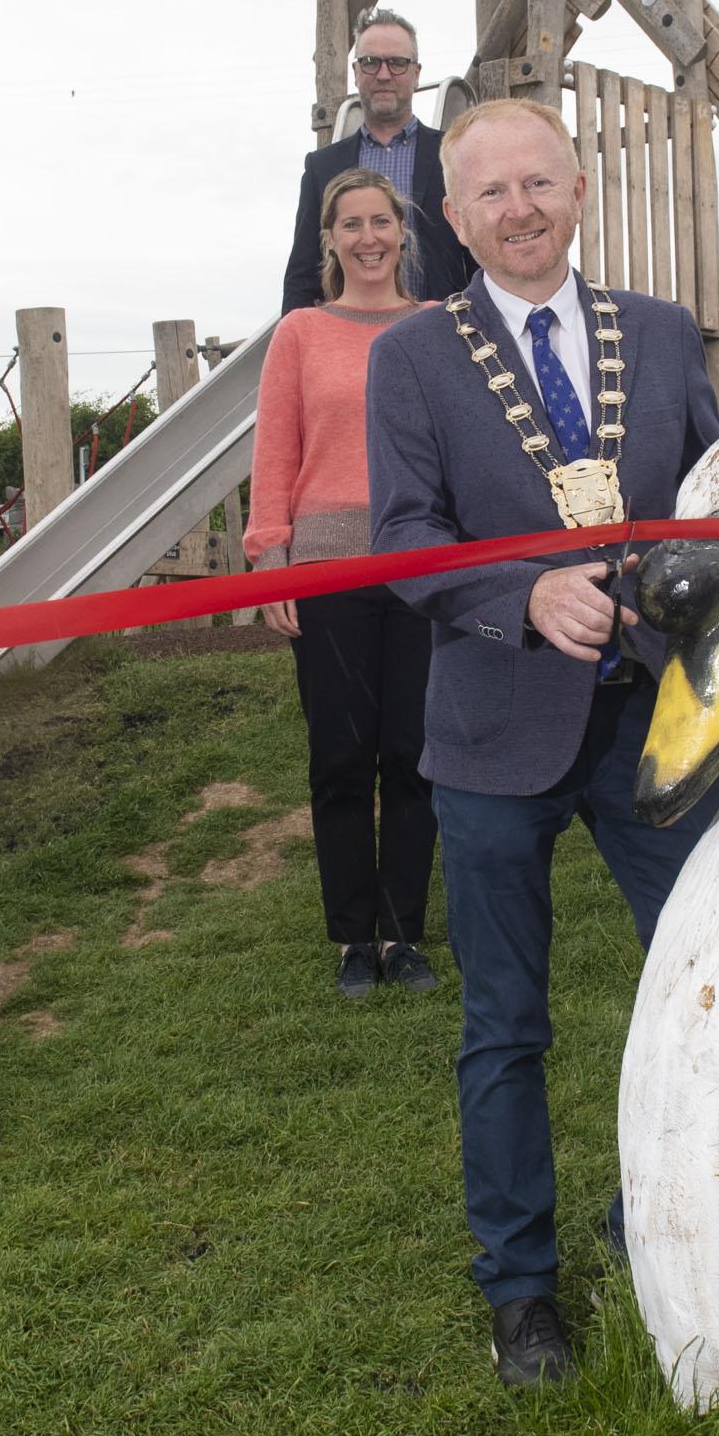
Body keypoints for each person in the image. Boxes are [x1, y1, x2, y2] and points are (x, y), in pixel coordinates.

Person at [366, 96, 719, 1386]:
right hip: (491, 730)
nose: (517, 210)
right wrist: (516, 593)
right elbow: (403, 540)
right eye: (488, 195)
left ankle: (654, 1229)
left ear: (576, 189)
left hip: (652, 727)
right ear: (450, 219)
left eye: (538, 183)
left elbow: (712, 502)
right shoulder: (411, 358)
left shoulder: (664, 332)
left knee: (696, 991)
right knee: (504, 1024)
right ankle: (520, 1287)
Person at [249, 168, 440, 1002]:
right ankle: (350, 938)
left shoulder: (439, 327)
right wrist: (268, 556)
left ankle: (402, 932)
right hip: (325, 566)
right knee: (339, 756)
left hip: (419, 565)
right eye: (349, 224)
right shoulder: (300, 332)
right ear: (327, 240)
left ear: (402, 232)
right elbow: (275, 449)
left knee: (412, 754)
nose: (367, 236)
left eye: (380, 221)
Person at [282, 7, 467, 316]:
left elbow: (480, 258)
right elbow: (303, 276)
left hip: (440, 336)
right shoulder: (322, 167)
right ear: (356, 73)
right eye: (370, 63)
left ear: (416, 73)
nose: (383, 74)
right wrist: (294, 347)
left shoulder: (455, 154)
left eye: (397, 63)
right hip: (350, 345)